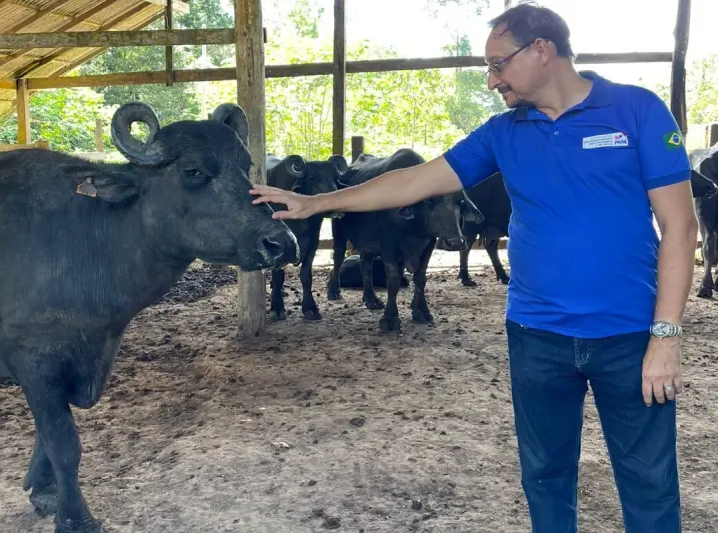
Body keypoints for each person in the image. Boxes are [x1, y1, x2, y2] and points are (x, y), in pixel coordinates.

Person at [249, 3, 697, 531]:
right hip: (536, 337)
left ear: (542, 50)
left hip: (631, 338)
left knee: (649, 485)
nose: (491, 80)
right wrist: (319, 204)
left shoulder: (638, 111)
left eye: (497, 65)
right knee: (546, 479)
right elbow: (415, 181)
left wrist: (665, 336)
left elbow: (681, 228)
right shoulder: (502, 133)